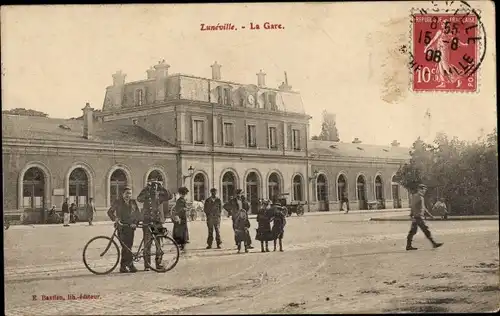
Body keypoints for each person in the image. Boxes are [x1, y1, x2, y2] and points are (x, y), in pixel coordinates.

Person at [137, 179, 173, 271]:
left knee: (159, 245)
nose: (154, 187)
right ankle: (147, 265)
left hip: (158, 223)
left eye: (155, 185)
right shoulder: (147, 193)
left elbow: (170, 196)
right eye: (152, 185)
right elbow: (139, 199)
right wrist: (146, 189)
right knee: (147, 244)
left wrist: (162, 187)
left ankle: (158, 263)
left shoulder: (160, 194)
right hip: (148, 222)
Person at [107, 186, 141, 273]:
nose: (128, 195)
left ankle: (126, 266)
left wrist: (135, 223)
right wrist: (115, 219)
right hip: (121, 227)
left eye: (129, 193)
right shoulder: (118, 202)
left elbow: (138, 214)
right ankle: (128, 265)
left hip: (131, 228)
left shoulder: (133, 202)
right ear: (122, 194)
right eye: (126, 193)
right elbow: (110, 212)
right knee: (125, 247)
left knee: (128, 247)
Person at [406, 184, 444, 251]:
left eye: (425, 190)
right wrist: (413, 216)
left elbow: (423, 208)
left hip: (417, 217)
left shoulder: (420, 197)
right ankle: (434, 244)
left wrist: (430, 215)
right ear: (419, 189)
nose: (424, 191)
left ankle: (408, 246)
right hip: (418, 217)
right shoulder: (417, 197)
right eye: (423, 190)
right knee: (425, 230)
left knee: (413, 231)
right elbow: (413, 206)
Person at [172, 187, 189, 251]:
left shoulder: (182, 200)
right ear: (181, 194)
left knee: (183, 230)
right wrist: (184, 209)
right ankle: (182, 244)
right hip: (181, 217)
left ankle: (183, 243)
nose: (184, 195)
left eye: (184, 194)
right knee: (181, 230)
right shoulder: (180, 200)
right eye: (183, 194)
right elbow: (178, 209)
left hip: (183, 217)